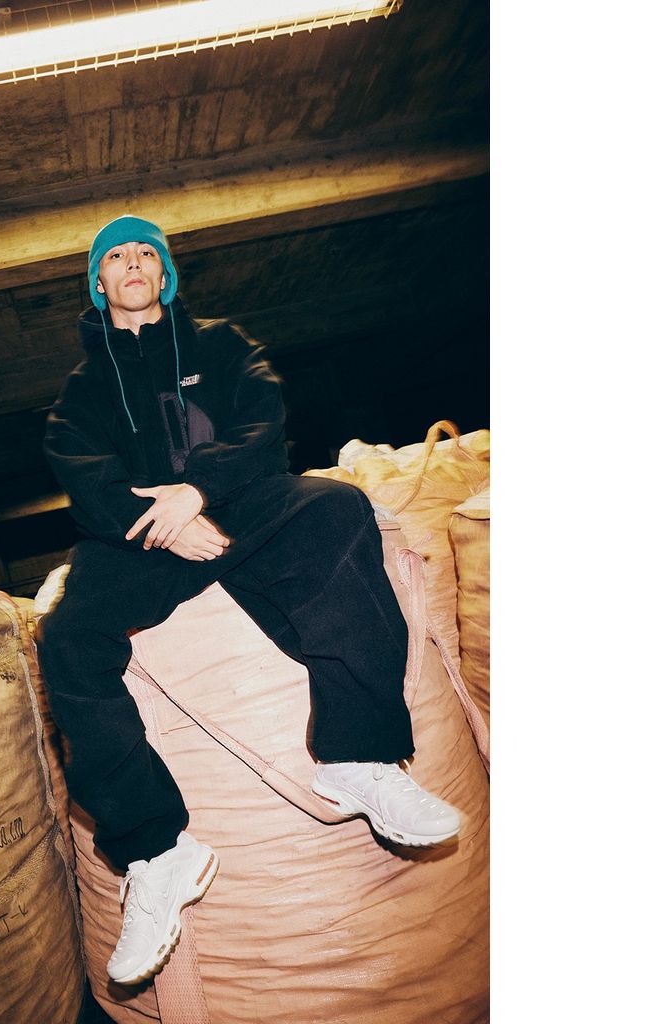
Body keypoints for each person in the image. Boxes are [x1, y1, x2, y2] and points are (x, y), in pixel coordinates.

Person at [38, 214, 461, 987]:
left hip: (237, 503)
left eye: (145, 254)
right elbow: (84, 475)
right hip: (138, 535)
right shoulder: (81, 393)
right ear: (98, 282)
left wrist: (198, 491)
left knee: (337, 507)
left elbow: (261, 424)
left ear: (163, 273)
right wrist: (165, 523)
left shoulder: (221, 345)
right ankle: (157, 852)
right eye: (116, 257)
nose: (132, 264)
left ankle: (359, 757)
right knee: (67, 640)